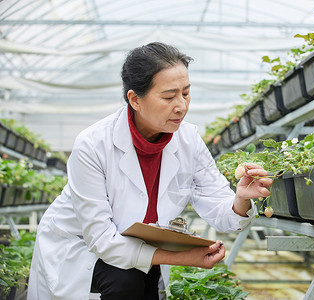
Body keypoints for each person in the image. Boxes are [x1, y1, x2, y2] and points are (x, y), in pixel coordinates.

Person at [27, 42, 272, 300]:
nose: (181, 106)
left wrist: (241, 198)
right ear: (135, 99)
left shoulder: (188, 139)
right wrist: (182, 258)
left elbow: (218, 205)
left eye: (186, 94)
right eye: (169, 97)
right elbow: (101, 238)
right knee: (126, 281)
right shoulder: (93, 144)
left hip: (140, 248)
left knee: (143, 282)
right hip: (79, 246)